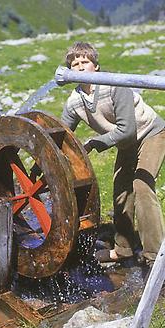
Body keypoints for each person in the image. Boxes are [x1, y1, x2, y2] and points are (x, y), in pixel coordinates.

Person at [61, 41, 165, 267]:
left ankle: (155, 257)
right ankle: (124, 249)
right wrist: (41, 164)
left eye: (85, 62)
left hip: (152, 133)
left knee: (141, 186)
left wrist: (98, 142)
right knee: (121, 191)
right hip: (126, 143)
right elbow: (60, 135)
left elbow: (127, 131)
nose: (80, 67)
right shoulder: (74, 102)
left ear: (95, 67)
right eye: (74, 63)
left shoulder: (115, 86)